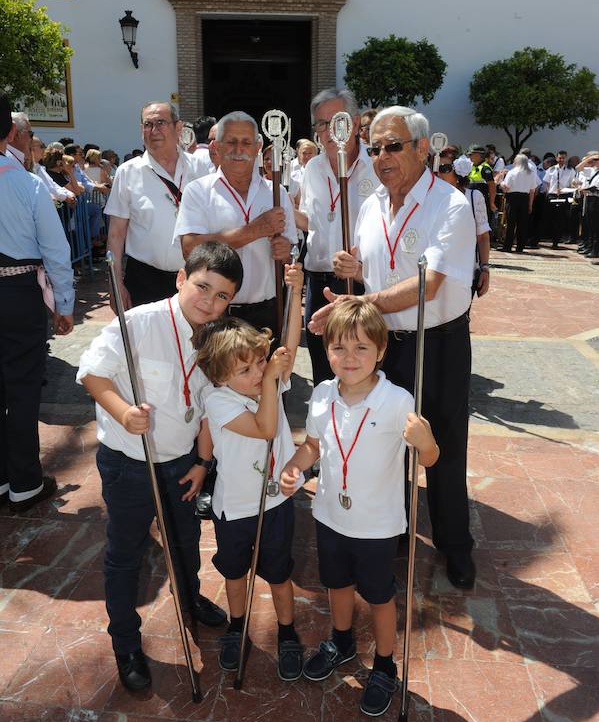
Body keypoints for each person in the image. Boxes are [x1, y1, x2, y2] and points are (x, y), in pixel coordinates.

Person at [310, 105, 477, 590]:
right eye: (375, 146)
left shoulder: (450, 205)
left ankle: (454, 545)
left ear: (423, 149)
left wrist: (358, 299)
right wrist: (351, 266)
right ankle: (396, 528)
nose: (381, 156)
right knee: (384, 438)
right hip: (385, 347)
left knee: (439, 444)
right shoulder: (369, 205)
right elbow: (371, 270)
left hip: (439, 344)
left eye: (393, 146)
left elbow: (427, 286)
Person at [76, 242, 243, 692]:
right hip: (131, 463)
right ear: (180, 279)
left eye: (222, 296)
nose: (209, 302)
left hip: (183, 462)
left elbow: (208, 404)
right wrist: (124, 412)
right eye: (202, 287)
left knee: (186, 539)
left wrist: (204, 462)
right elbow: (93, 372)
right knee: (125, 553)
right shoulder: (140, 323)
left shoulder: (217, 336)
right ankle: (125, 641)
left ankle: (189, 596)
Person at [280, 299, 439, 717]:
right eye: (339, 348)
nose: (349, 359)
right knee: (337, 583)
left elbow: (430, 459)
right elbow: (314, 445)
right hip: (330, 514)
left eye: (361, 348)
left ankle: (385, 663)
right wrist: (294, 467)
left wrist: (425, 442)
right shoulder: (321, 393)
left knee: (380, 594)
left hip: (378, 523)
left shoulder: (397, 400)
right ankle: (343, 640)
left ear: (381, 351)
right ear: (326, 349)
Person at [195, 262, 304, 680]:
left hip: (275, 501)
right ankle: (238, 626)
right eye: (246, 370)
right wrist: (273, 381)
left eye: (260, 363)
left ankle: (288, 631)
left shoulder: (268, 383)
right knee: (236, 574)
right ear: (222, 375)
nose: (259, 373)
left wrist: (295, 297)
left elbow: (288, 348)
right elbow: (264, 428)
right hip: (235, 507)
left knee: (279, 574)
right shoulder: (220, 401)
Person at [0, 93, 74, 512]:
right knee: (23, 387)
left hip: (15, 290)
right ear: (11, 132)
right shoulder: (25, 184)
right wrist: (63, 304)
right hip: (16, 292)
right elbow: (55, 249)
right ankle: (24, 480)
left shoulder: (28, 181)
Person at [175, 111, 296, 336]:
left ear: (257, 147)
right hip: (214, 313)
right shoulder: (198, 191)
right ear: (217, 147)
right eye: (231, 142)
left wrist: (287, 252)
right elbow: (190, 248)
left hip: (267, 312)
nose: (239, 150)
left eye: (246, 142)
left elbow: (291, 253)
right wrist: (255, 230)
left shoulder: (275, 192)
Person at [298, 87, 379, 386]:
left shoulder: (377, 170)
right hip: (318, 281)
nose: (330, 130)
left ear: (356, 123)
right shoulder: (313, 168)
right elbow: (312, 220)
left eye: (338, 120)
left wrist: (362, 270)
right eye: (321, 123)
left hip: (359, 283)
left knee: (361, 370)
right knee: (323, 369)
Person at [105, 101, 210, 310]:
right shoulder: (128, 172)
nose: (153, 131)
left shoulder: (201, 169)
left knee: (194, 342)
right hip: (145, 281)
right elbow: (116, 235)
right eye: (147, 124)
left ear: (178, 128)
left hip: (196, 279)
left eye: (161, 123)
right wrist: (115, 284)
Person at [436, 153, 491, 296]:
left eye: (444, 168)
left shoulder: (474, 197)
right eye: (435, 167)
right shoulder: (430, 197)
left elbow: (483, 236)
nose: (437, 172)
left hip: (464, 272)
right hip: (435, 271)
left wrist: (485, 268)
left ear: (457, 173)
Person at [500, 152, 539, 253]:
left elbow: (506, 188)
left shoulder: (512, 172)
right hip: (525, 198)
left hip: (512, 198)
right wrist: (530, 204)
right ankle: (520, 246)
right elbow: (532, 190)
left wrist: (501, 182)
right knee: (522, 224)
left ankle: (507, 246)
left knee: (511, 224)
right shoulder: (531, 173)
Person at [543, 151, 576, 248]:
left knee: (560, 219)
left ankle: (556, 242)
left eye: (563, 158)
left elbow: (572, 184)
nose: (561, 160)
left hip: (563, 195)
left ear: (566, 159)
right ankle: (547, 238)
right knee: (549, 218)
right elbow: (547, 183)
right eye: (560, 158)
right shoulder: (551, 169)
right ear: (557, 158)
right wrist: (549, 193)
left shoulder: (570, 170)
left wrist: (565, 191)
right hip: (552, 195)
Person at [467, 145, 496, 217]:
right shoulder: (471, 166)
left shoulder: (485, 168)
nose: (469, 157)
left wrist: (491, 202)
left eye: (471, 155)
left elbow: (492, 186)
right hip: (471, 199)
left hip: (481, 201)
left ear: (478, 155)